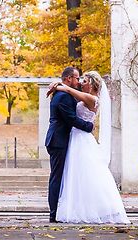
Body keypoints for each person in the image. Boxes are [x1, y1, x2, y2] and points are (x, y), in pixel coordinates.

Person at [49, 71, 130, 224]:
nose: (80, 82)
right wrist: (56, 84)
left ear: (92, 84)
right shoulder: (81, 95)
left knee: (86, 174)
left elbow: (68, 89)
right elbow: (69, 90)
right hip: (75, 138)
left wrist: (57, 85)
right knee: (76, 176)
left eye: (84, 80)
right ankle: (77, 207)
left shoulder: (92, 98)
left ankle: (94, 209)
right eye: (79, 79)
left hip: (82, 138)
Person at [45, 66, 94, 223]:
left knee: (63, 176)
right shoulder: (63, 97)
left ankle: (62, 210)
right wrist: (89, 127)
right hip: (58, 140)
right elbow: (71, 119)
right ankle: (53, 214)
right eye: (76, 78)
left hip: (61, 139)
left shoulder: (63, 93)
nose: (78, 81)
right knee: (57, 177)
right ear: (68, 79)